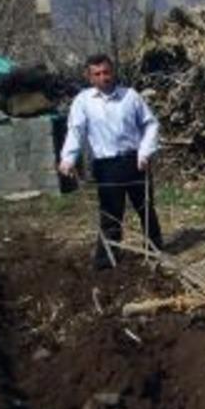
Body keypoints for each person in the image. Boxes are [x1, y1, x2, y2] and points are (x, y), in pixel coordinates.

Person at [58, 53, 163, 270]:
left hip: (134, 162)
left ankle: (155, 253)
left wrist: (145, 152)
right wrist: (68, 158)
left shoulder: (130, 96)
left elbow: (151, 124)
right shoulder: (83, 101)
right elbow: (75, 131)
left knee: (145, 209)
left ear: (112, 72)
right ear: (89, 77)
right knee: (110, 214)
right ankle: (106, 260)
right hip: (106, 166)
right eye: (97, 74)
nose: (103, 77)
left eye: (106, 72)